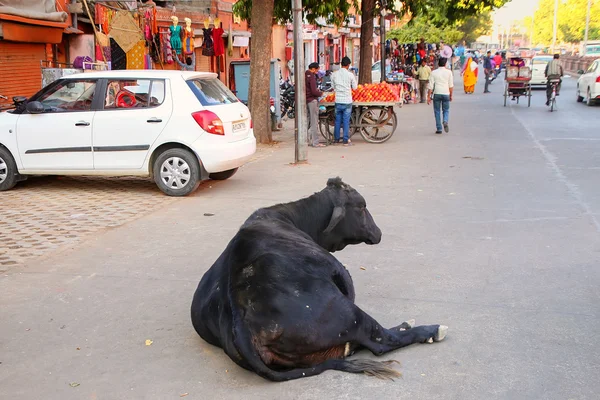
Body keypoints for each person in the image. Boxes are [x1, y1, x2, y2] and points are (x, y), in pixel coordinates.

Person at [331, 56, 357, 146]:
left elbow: (333, 87)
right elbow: (355, 87)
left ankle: (336, 139)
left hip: (338, 100)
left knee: (337, 121)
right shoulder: (350, 75)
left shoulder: (334, 74)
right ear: (348, 65)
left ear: (341, 64)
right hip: (347, 100)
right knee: (346, 121)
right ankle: (345, 140)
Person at [427, 57, 454, 134]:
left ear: (438, 63)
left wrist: (428, 97)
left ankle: (439, 128)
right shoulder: (449, 73)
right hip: (446, 93)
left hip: (437, 93)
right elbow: (451, 86)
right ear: (445, 64)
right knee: (446, 110)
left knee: (437, 111)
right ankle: (445, 121)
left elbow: (430, 86)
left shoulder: (433, 72)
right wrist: (451, 95)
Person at [305, 62, 325, 147]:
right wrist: (321, 94)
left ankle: (305, 140)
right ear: (313, 69)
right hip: (312, 100)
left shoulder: (304, 75)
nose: (317, 72)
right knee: (314, 121)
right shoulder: (312, 77)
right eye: (317, 70)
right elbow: (314, 91)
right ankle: (315, 142)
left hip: (305, 100)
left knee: (308, 121)